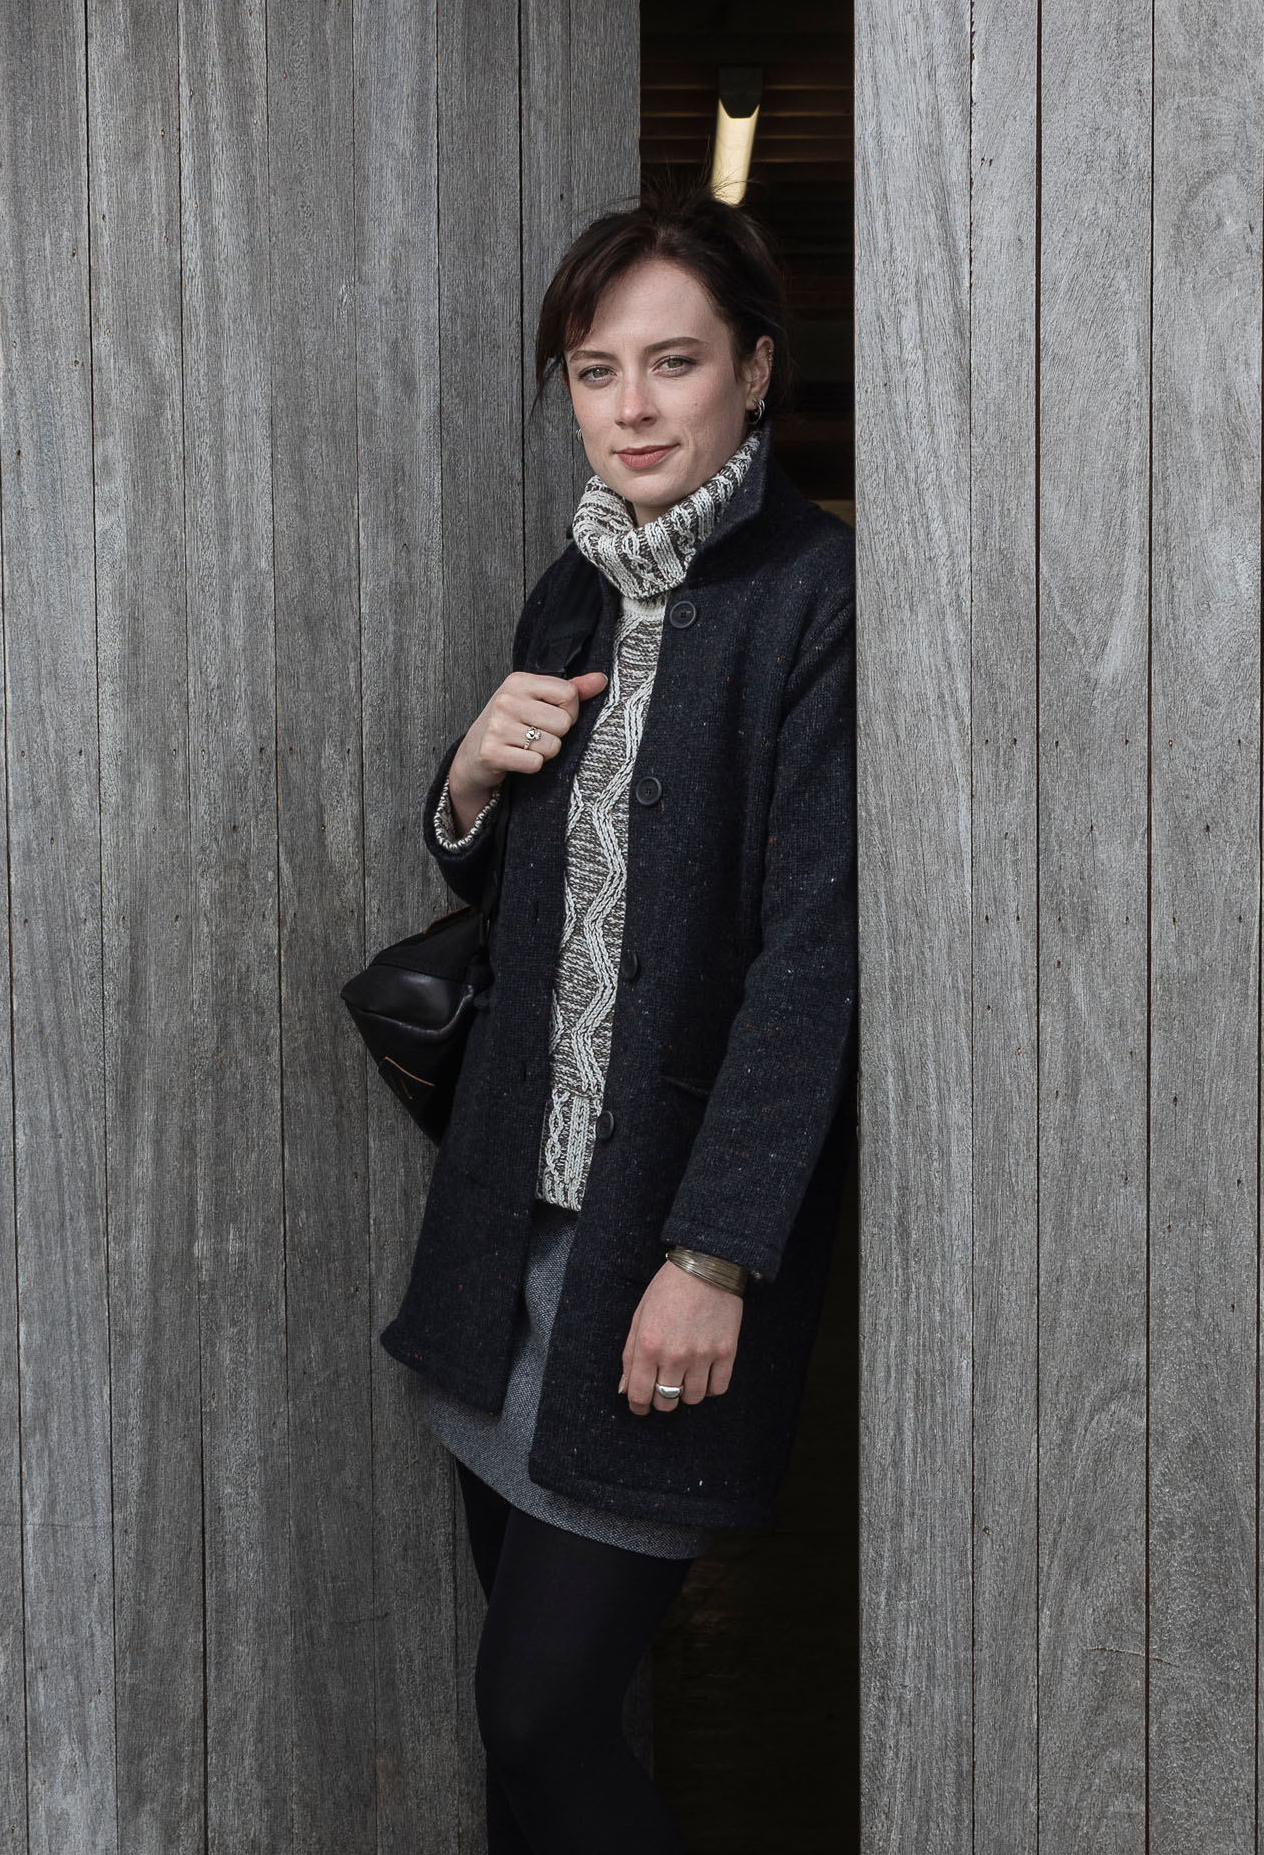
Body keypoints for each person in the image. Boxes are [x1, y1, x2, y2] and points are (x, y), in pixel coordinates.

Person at [379, 178, 858, 1853]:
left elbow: (814, 959)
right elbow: (534, 909)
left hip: (656, 1251)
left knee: (543, 1715)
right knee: (522, 1752)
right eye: (597, 371)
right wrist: (466, 783)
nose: (633, 407)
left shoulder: (817, 600)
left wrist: (714, 1255)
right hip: (506, 1236)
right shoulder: (572, 594)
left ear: (754, 369)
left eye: (674, 362)